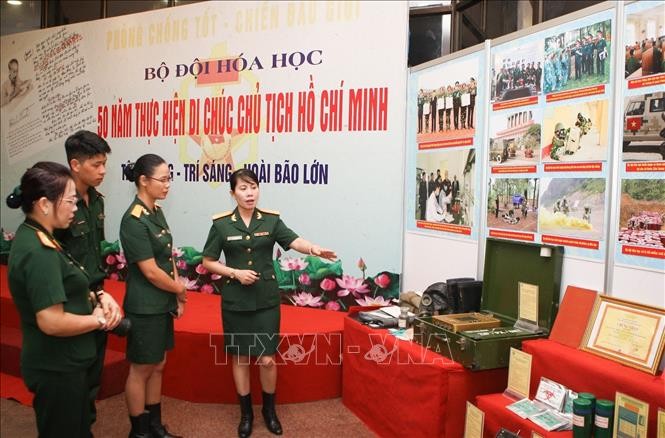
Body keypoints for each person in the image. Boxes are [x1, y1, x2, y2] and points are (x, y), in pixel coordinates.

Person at [201, 169, 336, 438]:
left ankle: (269, 411)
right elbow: (208, 261)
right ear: (232, 193)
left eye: (253, 187)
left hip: (265, 299)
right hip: (236, 300)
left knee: (266, 359)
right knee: (240, 357)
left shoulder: (271, 221)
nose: (249, 193)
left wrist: (314, 249)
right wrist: (234, 273)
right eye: (243, 188)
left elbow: (292, 240)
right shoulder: (221, 224)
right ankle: (246, 414)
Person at [7, 162, 120, 437]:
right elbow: (51, 321)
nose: (74, 208)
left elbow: (70, 285)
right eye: (70, 201)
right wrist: (96, 320)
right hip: (56, 366)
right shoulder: (39, 252)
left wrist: (98, 296)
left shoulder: (42, 237)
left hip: (64, 361)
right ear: (45, 204)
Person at [54, 130, 122, 431]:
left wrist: (101, 294)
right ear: (75, 164)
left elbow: (94, 251)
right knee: (71, 375)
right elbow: (54, 258)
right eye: (96, 164)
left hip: (97, 295)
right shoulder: (58, 204)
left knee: (92, 372)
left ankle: (85, 427)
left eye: (104, 163)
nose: (103, 171)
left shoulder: (97, 201)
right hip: (69, 300)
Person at [119, 154, 185, 438]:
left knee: (158, 364)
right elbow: (149, 271)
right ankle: (139, 431)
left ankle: (155, 426)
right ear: (144, 181)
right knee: (141, 367)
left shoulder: (155, 212)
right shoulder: (133, 220)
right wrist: (180, 289)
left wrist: (177, 295)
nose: (168, 185)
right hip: (144, 305)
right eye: (163, 179)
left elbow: (166, 257)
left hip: (162, 301)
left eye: (169, 178)